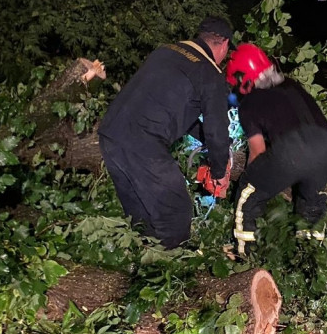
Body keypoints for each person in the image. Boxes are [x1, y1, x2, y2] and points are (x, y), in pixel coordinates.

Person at [98, 17, 234, 249]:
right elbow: (216, 127)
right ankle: (172, 271)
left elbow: (178, 109)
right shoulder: (209, 73)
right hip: (143, 143)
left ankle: (143, 265)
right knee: (176, 212)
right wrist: (220, 171)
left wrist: (210, 139)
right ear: (224, 45)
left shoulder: (167, 51)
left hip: (111, 133)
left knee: (143, 216)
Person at [225, 43, 327, 257]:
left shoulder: (250, 103)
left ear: (243, 80)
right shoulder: (292, 85)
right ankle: (309, 261)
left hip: (294, 151)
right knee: (311, 201)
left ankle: (243, 254)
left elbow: (257, 152)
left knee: (248, 194)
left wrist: (261, 178)